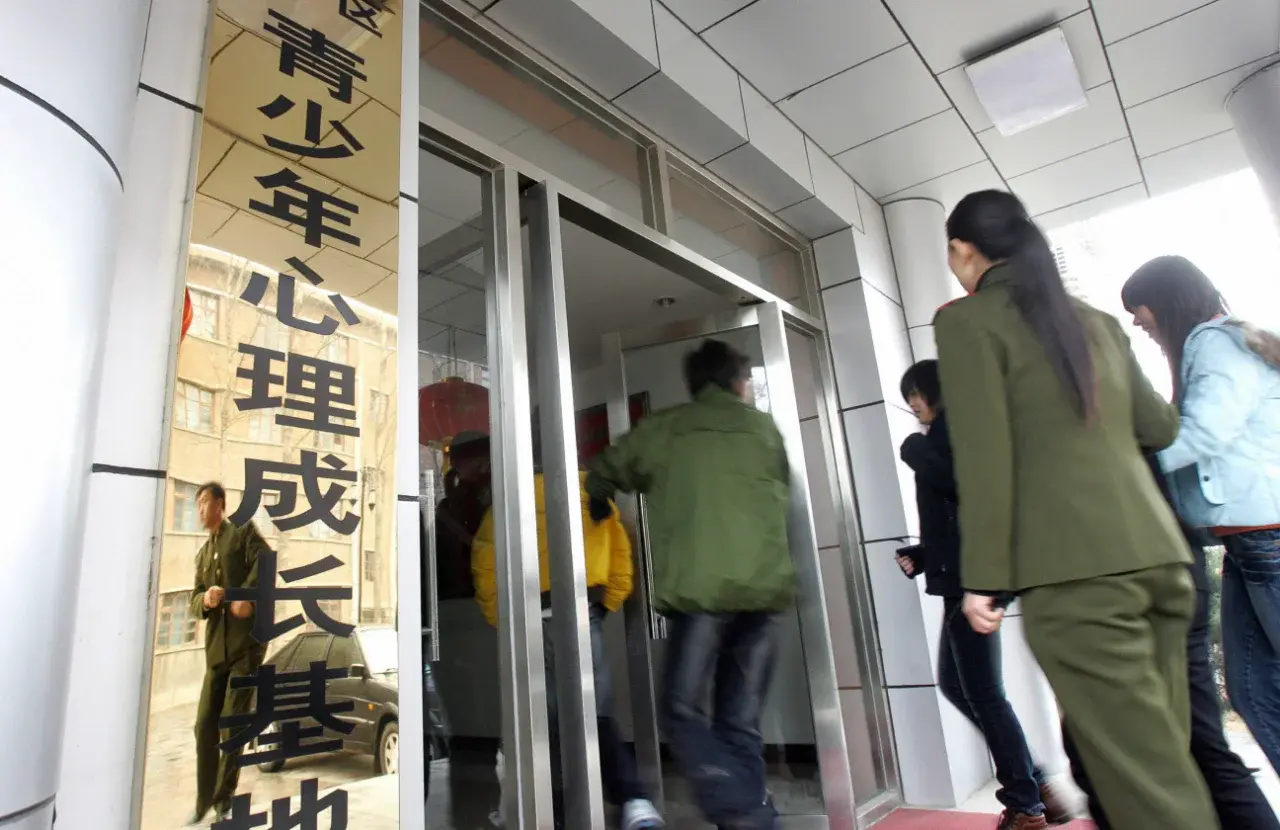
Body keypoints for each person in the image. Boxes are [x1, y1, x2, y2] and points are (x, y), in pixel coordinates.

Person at [934, 190, 1217, 829]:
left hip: (1081, 580)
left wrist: (983, 578)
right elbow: (1160, 427)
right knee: (1163, 766)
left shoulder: (968, 321)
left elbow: (984, 457)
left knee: (1152, 793)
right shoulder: (1094, 321)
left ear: (963, 250)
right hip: (1162, 565)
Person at [585, 339, 795, 830]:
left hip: (703, 594)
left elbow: (605, 470)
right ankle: (751, 815)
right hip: (766, 592)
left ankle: (741, 811)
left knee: (681, 711)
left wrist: (598, 499)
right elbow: (781, 488)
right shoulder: (763, 429)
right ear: (737, 382)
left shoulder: (667, 429)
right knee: (739, 720)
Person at [1062, 451, 1280, 829]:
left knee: (1110, 754)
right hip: (1201, 553)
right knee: (1239, 708)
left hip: (1159, 568)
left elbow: (1204, 430)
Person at [1121, 255, 1280, 774]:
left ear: (1167, 298)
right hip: (1246, 542)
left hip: (1267, 537)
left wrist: (1123, 470)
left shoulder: (1216, 343)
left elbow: (1205, 430)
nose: (1136, 321)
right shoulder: (1217, 343)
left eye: (1138, 308)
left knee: (1256, 690)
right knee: (1252, 692)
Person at [896, 361, 1071, 828]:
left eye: (914, 394)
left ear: (934, 391)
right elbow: (958, 514)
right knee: (961, 686)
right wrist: (924, 555)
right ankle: (1035, 785)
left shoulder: (954, 432)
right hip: (963, 580)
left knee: (984, 693)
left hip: (976, 582)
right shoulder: (948, 434)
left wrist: (915, 450)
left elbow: (970, 488)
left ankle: (1026, 804)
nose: (912, 404)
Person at [471, 468, 663, 830]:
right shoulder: (592, 493)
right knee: (595, 712)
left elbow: (485, 563)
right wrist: (608, 602)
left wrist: (501, 619)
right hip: (583, 613)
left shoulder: (508, 501)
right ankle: (634, 801)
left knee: (538, 719)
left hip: (530, 621)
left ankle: (548, 809)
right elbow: (620, 554)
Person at [428, 431, 503, 829]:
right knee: (479, 730)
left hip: (453, 625)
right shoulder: (476, 503)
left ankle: (475, 813)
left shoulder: (447, 506)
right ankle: (476, 815)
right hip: (472, 621)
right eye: (486, 460)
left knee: (473, 731)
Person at [190, 482, 267, 825]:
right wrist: (205, 600)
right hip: (216, 653)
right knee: (204, 724)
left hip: (244, 647)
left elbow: (265, 561)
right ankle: (204, 799)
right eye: (197, 504)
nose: (199, 509)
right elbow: (194, 598)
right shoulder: (202, 554)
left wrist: (246, 596)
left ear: (220, 504)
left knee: (231, 724)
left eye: (205, 501)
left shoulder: (242, 532)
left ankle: (223, 800)